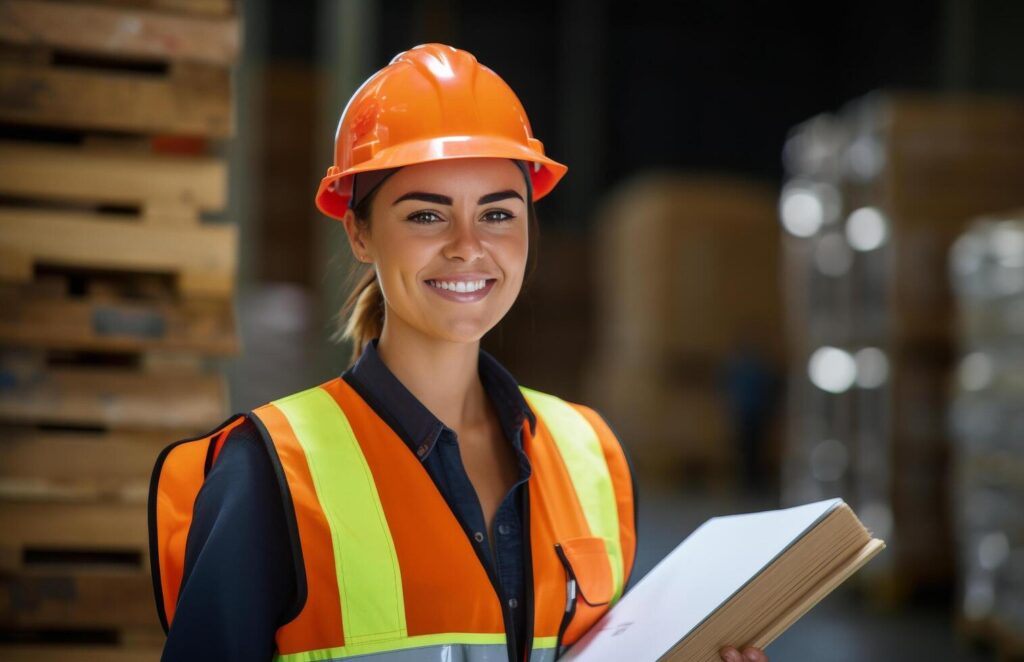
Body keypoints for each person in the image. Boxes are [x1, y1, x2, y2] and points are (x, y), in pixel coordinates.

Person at [148, 43, 768, 662]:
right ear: (359, 232)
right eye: (426, 215)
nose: (468, 247)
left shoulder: (591, 458)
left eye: (498, 213)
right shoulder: (270, 473)